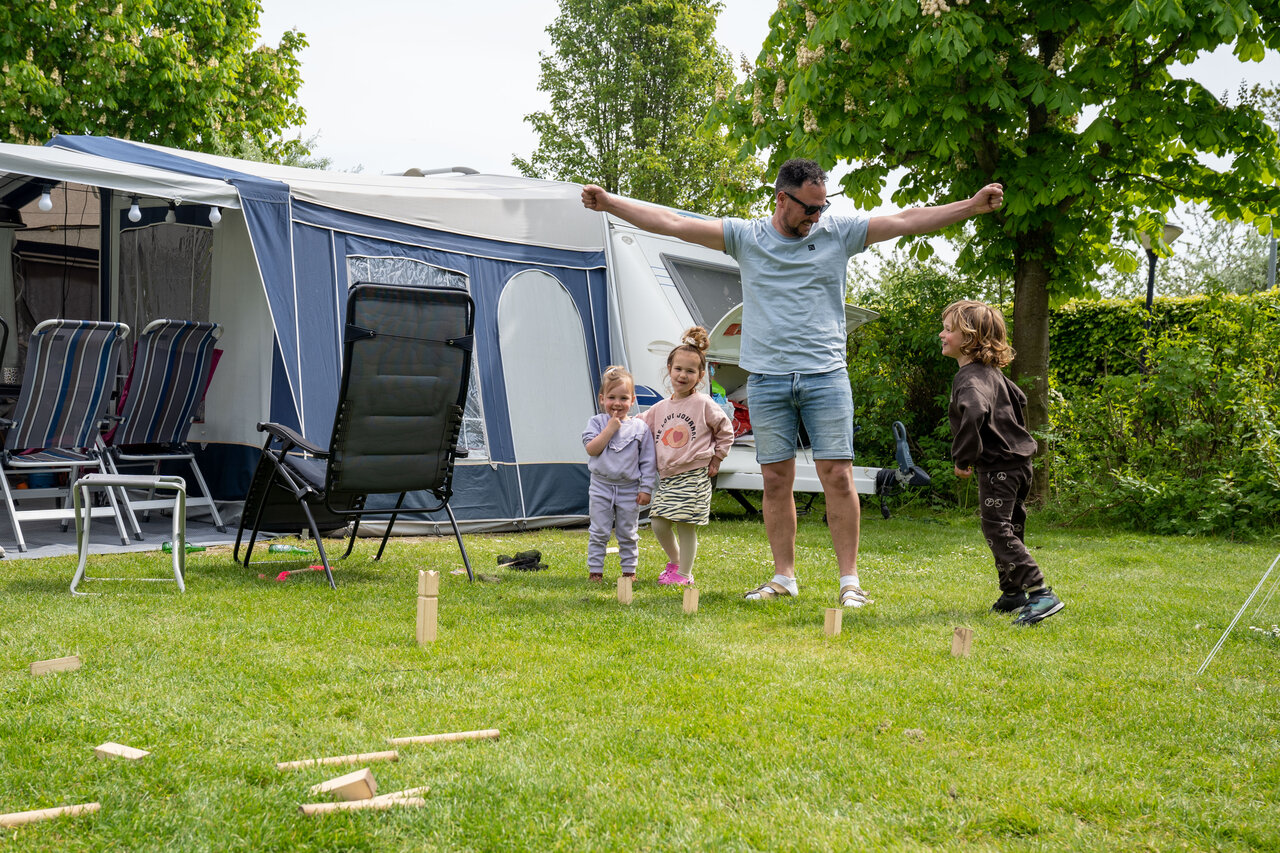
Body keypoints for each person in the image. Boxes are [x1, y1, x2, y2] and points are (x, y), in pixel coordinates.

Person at [582, 159, 1003, 607]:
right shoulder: (746, 236)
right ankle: (784, 577)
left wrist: (970, 207)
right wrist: (610, 203)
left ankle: (850, 583)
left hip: (826, 374)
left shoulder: (837, 232)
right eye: (809, 208)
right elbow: (673, 223)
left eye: (823, 207)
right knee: (775, 479)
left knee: (837, 476)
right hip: (765, 378)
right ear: (782, 198)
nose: (816, 217)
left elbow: (904, 220)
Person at [941, 300, 1064, 625]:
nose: (942, 334)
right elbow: (1018, 400)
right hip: (1020, 464)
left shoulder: (969, 378)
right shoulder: (993, 375)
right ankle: (1013, 593)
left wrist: (964, 458)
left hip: (999, 468)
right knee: (1012, 525)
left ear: (969, 339)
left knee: (996, 527)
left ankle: (1040, 592)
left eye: (948, 330)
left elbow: (975, 412)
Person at [639, 327, 735, 586]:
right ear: (669, 369)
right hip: (669, 476)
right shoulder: (660, 408)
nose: (683, 375)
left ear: (700, 376)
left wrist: (717, 457)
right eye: (678, 369)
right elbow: (639, 426)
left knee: (684, 524)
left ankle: (683, 574)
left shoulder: (704, 403)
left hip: (694, 475)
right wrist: (618, 422)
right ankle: (676, 562)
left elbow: (725, 430)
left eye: (690, 371)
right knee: (658, 522)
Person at [582, 365, 657, 583]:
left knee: (628, 532)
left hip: (629, 488)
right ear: (602, 398)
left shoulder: (639, 428)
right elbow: (591, 449)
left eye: (623, 398)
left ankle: (628, 572)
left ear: (632, 400)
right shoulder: (596, 423)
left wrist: (646, 488)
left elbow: (648, 461)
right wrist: (610, 430)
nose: (617, 403)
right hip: (601, 486)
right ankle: (595, 571)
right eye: (612, 397)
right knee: (599, 530)